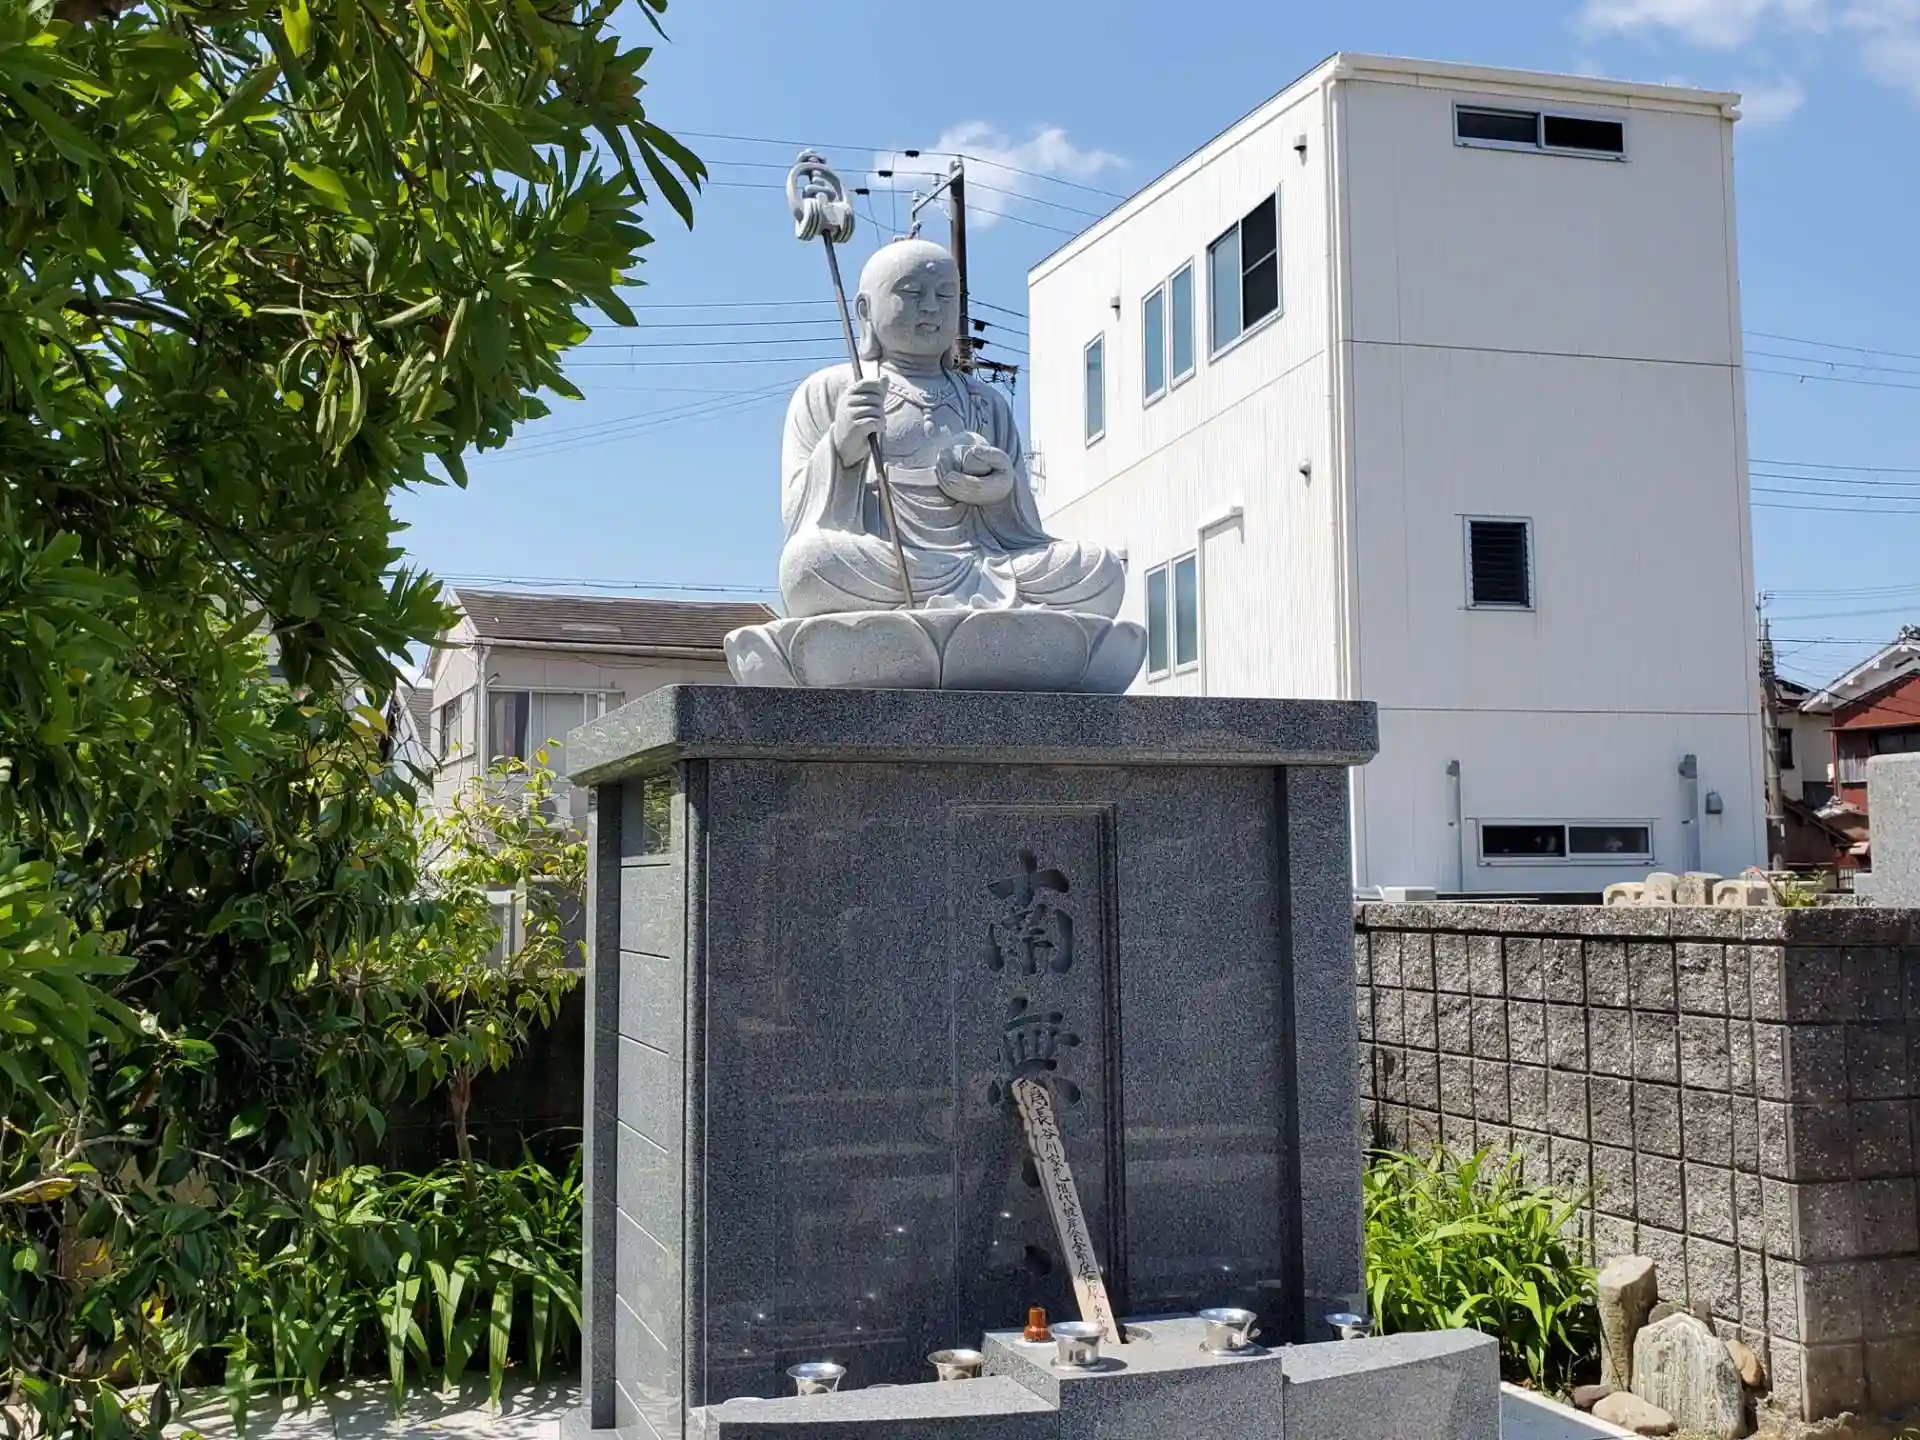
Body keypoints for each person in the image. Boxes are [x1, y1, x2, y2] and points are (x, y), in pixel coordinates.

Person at [778, 238, 1125, 619]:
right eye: (911, 293)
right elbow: (797, 517)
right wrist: (840, 450)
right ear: (865, 310)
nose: (931, 306)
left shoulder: (986, 402)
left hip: (984, 563)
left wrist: (1000, 494)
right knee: (807, 564)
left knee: (1100, 568)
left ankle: (961, 611)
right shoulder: (832, 391)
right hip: (890, 562)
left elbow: (1023, 530)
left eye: (945, 295)